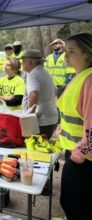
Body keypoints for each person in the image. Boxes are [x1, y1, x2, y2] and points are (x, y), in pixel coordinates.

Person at [58, 33, 92, 220]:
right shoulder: (80, 76)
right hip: (76, 153)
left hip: (84, 160)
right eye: (65, 51)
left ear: (87, 54)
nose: (66, 56)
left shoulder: (90, 80)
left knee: (77, 208)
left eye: (71, 51)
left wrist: (78, 156)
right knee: (70, 204)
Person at [21, 49, 58, 139]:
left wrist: (29, 115)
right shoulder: (44, 73)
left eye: (23, 61)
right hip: (50, 118)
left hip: (41, 121)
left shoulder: (33, 75)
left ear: (29, 62)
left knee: (35, 148)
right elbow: (55, 90)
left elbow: (33, 94)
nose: (21, 64)